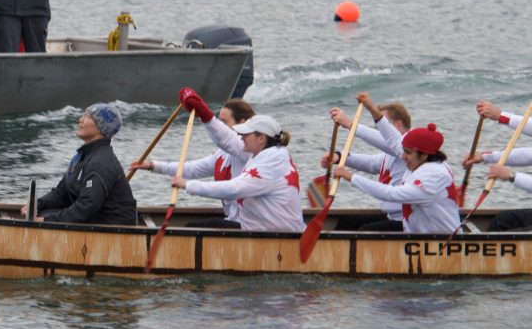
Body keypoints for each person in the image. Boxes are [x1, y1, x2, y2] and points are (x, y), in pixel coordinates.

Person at [170, 91, 304, 232]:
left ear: (261, 138)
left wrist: (188, 185)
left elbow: (234, 189)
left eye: (246, 134)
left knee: (197, 229)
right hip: (262, 230)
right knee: (196, 228)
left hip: (279, 238)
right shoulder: (261, 154)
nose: (241, 136)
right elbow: (227, 139)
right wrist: (153, 166)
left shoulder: (270, 163)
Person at [130, 97, 255, 227]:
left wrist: (203, 113)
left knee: (192, 228)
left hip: (247, 225)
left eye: (224, 122)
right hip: (232, 219)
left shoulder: (248, 151)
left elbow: (225, 138)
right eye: (218, 121)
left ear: (242, 123)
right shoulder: (222, 154)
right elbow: (191, 169)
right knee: (192, 226)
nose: (220, 126)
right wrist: (153, 166)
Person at [335, 123, 459, 234]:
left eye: (408, 153)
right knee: (348, 222)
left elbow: (391, 194)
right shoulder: (421, 165)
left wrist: (351, 177)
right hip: (420, 236)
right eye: (404, 151)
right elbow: (393, 142)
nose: (403, 156)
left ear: (424, 155)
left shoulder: (433, 178)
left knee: (365, 234)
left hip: (441, 243)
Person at [27, 103, 137, 225]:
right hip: (94, 219)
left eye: (87, 116)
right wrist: (36, 204)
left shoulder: (101, 162)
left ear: (101, 127)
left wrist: (49, 221)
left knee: (46, 217)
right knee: (43, 211)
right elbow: (61, 193)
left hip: (113, 230)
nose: (80, 120)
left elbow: (88, 205)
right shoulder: (81, 157)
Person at [322, 93, 411, 231]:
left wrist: (351, 125)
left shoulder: (410, 150)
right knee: (348, 222)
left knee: (364, 231)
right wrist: (339, 157)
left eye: (382, 127)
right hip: (392, 217)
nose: (380, 131)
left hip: (407, 222)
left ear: (398, 125)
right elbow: (371, 163)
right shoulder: (390, 154)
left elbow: (387, 141)